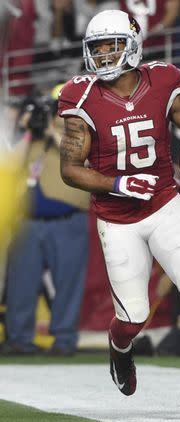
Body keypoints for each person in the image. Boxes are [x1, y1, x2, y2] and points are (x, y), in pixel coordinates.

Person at [58, 10, 180, 422]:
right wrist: (118, 184)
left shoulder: (163, 80)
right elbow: (70, 169)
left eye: (112, 45)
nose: (103, 56)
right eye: (97, 48)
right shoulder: (79, 96)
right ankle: (120, 347)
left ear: (134, 44)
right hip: (117, 216)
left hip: (163, 205)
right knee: (134, 318)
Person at [1, 88, 90, 356]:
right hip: (28, 221)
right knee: (21, 282)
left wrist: (52, 132)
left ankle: (64, 340)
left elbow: (78, 154)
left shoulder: (79, 134)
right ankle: (18, 338)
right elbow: (9, 166)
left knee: (68, 283)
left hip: (68, 220)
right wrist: (29, 131)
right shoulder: (32, 140)